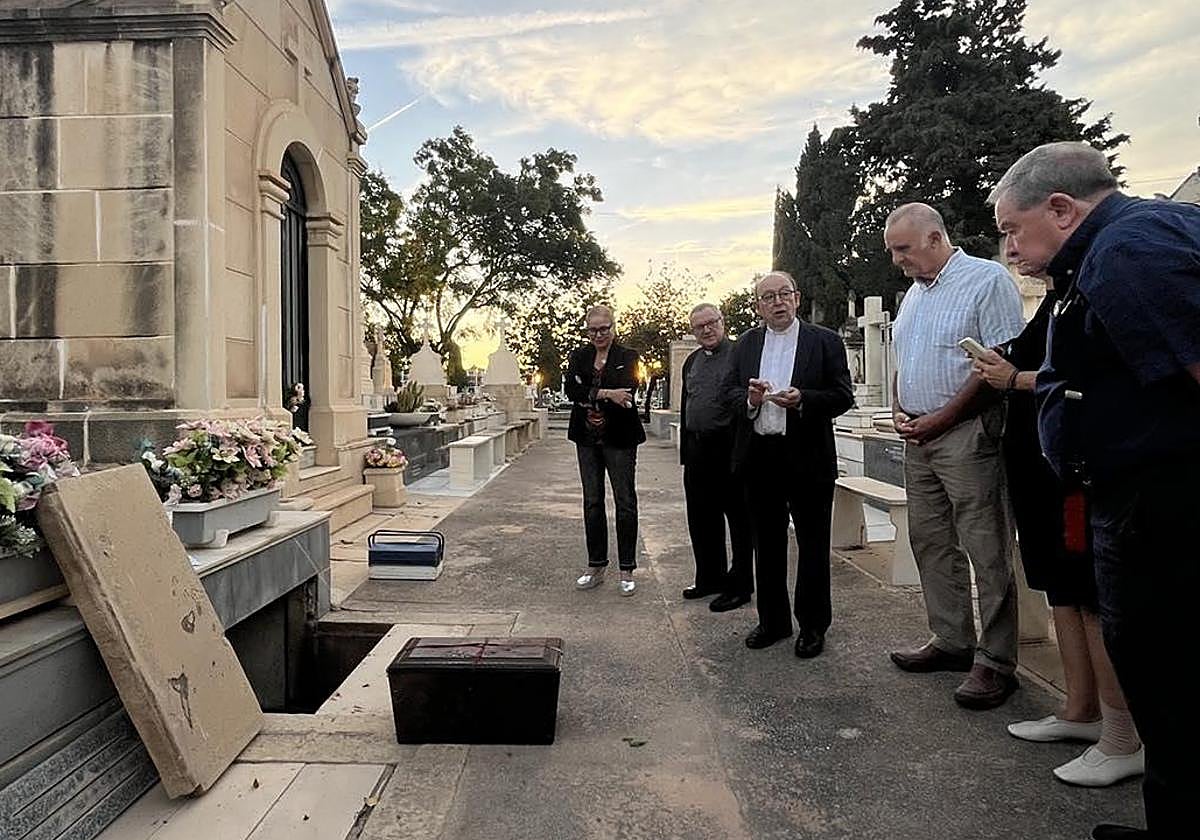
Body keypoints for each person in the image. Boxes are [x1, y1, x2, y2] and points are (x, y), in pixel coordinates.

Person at [989, 140, 1200, 840]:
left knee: (1170, 683)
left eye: (1013, 228)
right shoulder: (1114, 248)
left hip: (1163, 508)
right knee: (1163, 682)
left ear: (1061, 208)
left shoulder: (1129, 253)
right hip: (1141, 500)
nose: (1010, 247)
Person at [973, 280, 1144, 788]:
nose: (1014, 247)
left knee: (1087, 594)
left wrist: (1014, 378)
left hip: (1072, 475)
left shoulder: (1099, 287)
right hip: (1038, 468)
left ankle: (1122, 737)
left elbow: (1086, 380)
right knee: (1060, 590)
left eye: (1018, 231)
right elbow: (1030, 357)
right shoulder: (1059, 295)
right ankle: (1079, 708)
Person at [883, 203, 1026, 710]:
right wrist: (900, 406)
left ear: (935, 237)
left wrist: (942, 417)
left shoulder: (986, 281)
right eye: (893, 251)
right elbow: (906, 358)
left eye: (903, 249)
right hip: (919, 435)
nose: (897, 260)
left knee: (985, 545)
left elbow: (1001, 365)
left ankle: (996, 660)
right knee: (930, 539)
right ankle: (951, 640)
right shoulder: (915, 295)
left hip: (966, 432)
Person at [722, 272, 853, 656]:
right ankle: (773, 621)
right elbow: (727, 394)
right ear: (758, 306)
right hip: (760, 456)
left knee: (813, 544)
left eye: (783, 294)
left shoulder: (824, 341)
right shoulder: (745, 344)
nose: (777, 302)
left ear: (796, 297)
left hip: (808, 456)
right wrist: (749, 400)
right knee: (766, 542)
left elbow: (842, 394)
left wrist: (804, 399)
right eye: (767, 297)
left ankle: (813, 625)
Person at [564, 305, 646, 595]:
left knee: (624, 501)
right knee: (592, 501)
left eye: (604, 328)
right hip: (586, 437)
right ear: (587, 330)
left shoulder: (628, 356)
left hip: (620, 438)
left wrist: (592, 393)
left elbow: (630, 387)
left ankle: (627, 569)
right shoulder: (579, 356)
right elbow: (571, 391)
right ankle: (595, 564)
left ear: (613, 327)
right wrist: (608, 393)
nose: (599, 334)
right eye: (593, 329)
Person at [678, 303, 753, 612]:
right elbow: (686, 406)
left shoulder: (740, 355)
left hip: (729, 450)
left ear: (723, 322)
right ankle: (709, 578)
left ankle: (739, 587)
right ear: (693, 331)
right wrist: (685, 451)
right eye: (700, 326)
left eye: (712, 323)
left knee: (738, 521)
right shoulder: (691, 361)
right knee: (701, 519)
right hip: (697, 451)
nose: (707, 330)